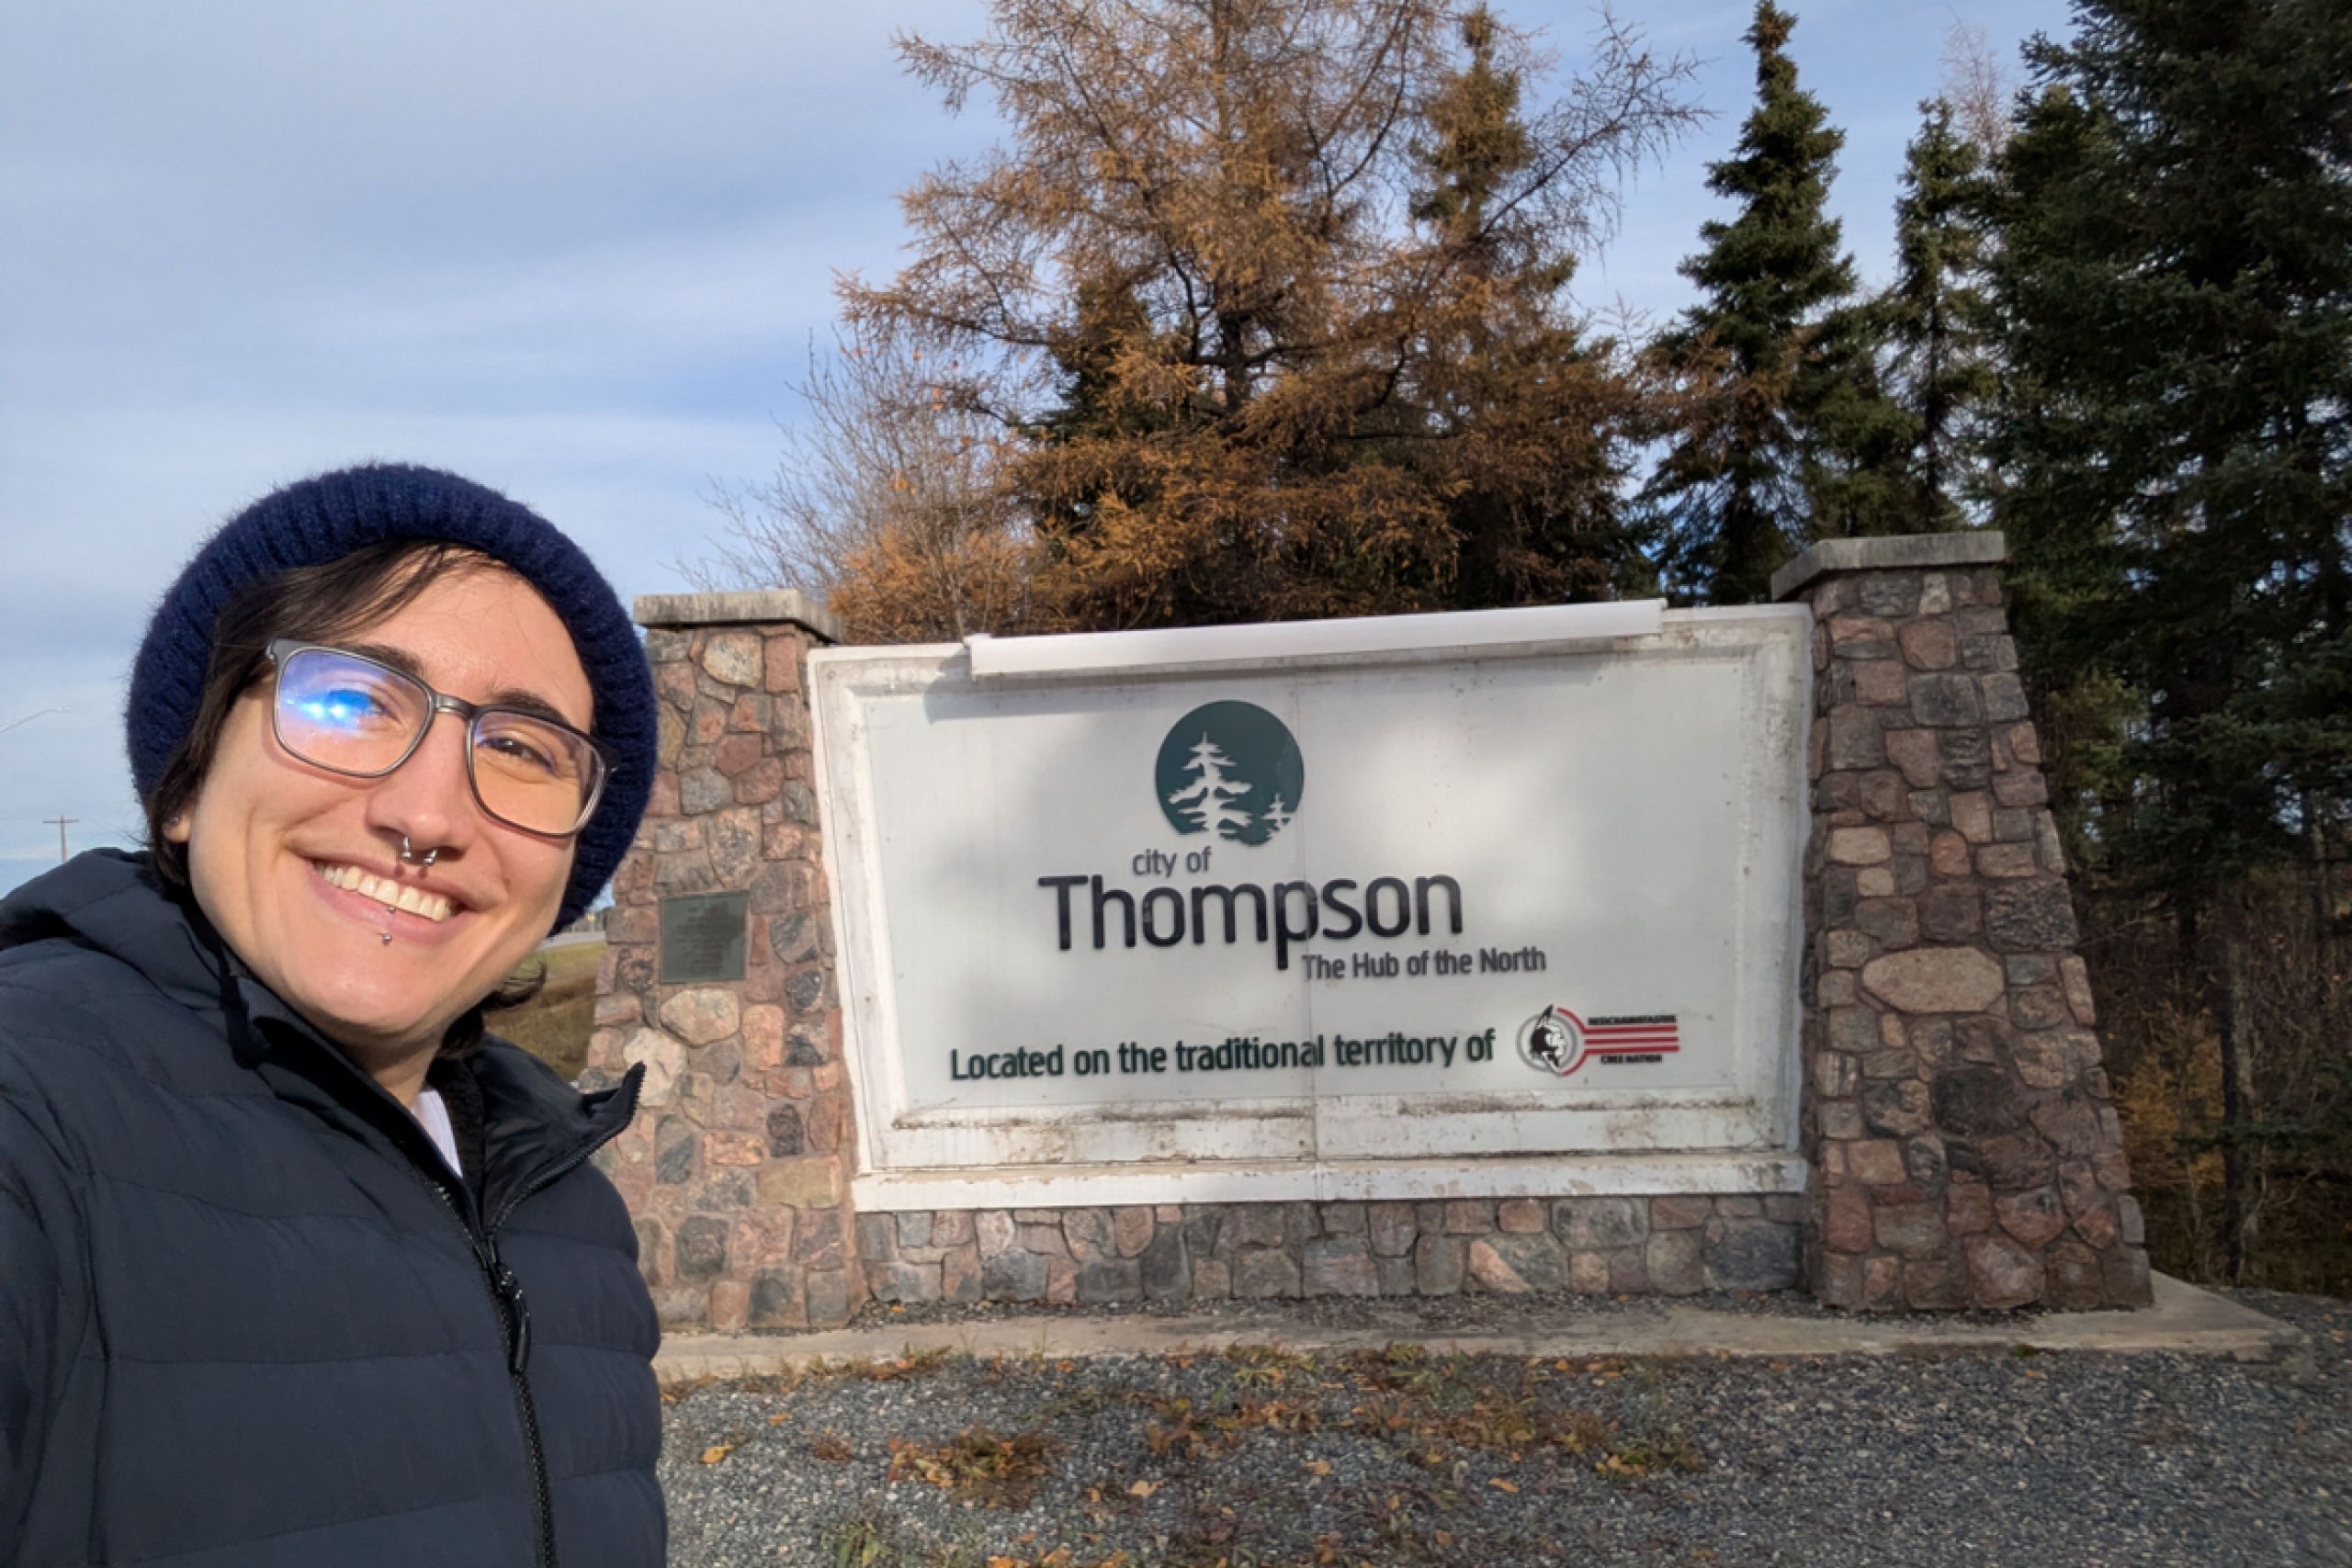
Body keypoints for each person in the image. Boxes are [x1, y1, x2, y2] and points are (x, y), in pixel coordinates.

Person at [0, 465, 665, 1567]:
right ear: (185, 785)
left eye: (518, 748)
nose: (425, 812)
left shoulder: (570, 1215)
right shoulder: (34, 1118)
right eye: (350, 701)